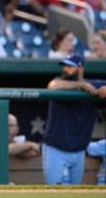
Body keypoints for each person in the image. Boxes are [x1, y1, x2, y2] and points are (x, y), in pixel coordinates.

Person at [44, 53, 106, 184]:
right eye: (65, 66)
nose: (65, 69)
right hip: (56, 149)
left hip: (79, 151)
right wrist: (81, 85)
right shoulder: (61, 83)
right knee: (54, 194)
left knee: (75, 193)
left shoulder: (93, 84)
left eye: (70, 66)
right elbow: (52, 85)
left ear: (80, 68)